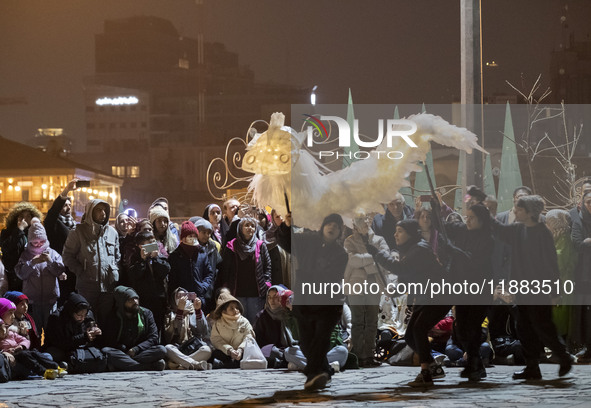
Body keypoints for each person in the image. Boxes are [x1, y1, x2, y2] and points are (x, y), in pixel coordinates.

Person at [492, 195, 573, 380]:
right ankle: (532, 367)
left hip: (538, 290)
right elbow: (498, 230)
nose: (515, 211)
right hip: (521, 290)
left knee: (544, 327)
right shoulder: (518, 229)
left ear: (529, 212)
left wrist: (554, 292)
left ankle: (563, 356)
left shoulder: (542, 233)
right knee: (524, 328)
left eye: (519, 209)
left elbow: (551, 264)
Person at [365, 219, 450, 387]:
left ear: (410, 233)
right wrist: (395, 291)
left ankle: (426, 372)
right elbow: (407, 279)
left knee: (418, 329)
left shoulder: (419, 249)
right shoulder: (411, 250)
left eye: (400, 231)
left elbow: (400, 269)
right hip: (427, 298)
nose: (395, 234)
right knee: (411, 336)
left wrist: (377, 253)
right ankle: (433, 366)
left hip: (439, 296)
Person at [277, 212, 348, 391]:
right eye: (329, 223)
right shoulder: (308, 241)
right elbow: (287, 243)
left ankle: (314, 374)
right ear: (323, 226)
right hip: (305, 301)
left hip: (327, 303)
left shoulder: (341, 254)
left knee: (321, 339)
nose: (332, 227)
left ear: (340, 231)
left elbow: (330, 276)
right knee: (307, 343)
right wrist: (286, 226)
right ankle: (323, 370)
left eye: (337, 226)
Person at [62, 199, 120, 326]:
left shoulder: (112, 233)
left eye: (104, 210)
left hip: (108, 287)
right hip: (87, 287)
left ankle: (104, 344)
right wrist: (80, 270)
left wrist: (114, 272)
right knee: (87, 320)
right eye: (98, 210)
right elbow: (67, 256)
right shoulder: (78, 231)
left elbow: (117, 257)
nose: (103, 213)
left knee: (106, 320)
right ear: (90, 212)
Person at [344, 214, 388, 367]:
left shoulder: (379, 240)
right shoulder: (349, 241)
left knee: (371, 321)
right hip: (355, 286)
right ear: (354, 224)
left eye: (367, 218)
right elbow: (352, 260)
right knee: (357, 321)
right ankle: (358, 354)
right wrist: (373, 258)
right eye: (361, 219)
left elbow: (384, 261)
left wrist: (363, 261)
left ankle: (369, 353)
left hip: (374, 284)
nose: (366, 221)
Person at [15, 218, 67, 333]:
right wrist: (32, 263)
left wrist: (49, 261)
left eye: (41, 242)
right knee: (34, 330)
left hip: (50, 301)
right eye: (35, 242)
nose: (38, 245)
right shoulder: (25, 255)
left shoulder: (52, 253)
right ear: (30, 241)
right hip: (33, 302)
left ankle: (50, 349)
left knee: (51, 330)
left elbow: (60, 270)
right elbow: (21, 274)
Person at [100, 286, 166, 371]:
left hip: (140, 352)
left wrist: (136, 349)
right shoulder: (114, 316)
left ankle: (123, 365)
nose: (135, 302)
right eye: (130, 300)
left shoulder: (146, 314)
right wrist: (124, 349)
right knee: (106, 351)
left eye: (136, 298)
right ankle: (147, 367)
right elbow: (110, 341)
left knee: (161, 350)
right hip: (122, 353)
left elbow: (153, 338)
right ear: (122, 303)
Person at [220, 217, 271, 324]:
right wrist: (225, 287)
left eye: (253, 226)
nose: (250, 228)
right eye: (246, 225)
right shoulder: (232, 245)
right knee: (240, 323)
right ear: (240, 228)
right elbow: (225, 268)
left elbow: (267, 266)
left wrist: (266, 283)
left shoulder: (260, 245)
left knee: (256, 322)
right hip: (237, 292)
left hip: (256, 293)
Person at [0, 299, 60, 380]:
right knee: (24, 359)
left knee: (43, 355)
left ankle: (56, 367)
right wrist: (4, 354)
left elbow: (26, 341)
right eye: (10, 313)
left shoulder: (11, 331)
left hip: (23, 355)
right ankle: (43, 371)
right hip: (11, 361)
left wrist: (21, 346)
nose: (13, 316)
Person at [124, 231, 170, 334]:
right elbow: (133, 276)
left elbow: (166, 270)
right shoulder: (134, 258)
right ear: (141, 246)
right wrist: (142, 260)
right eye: (149, 243)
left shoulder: (158, 256)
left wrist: (156, 258)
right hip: (144, 300)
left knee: (159, 328)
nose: (153, 245)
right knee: (145, 328)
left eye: (154, 242)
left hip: (159, 299)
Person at [43, 292, 103, 367]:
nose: (83, 318)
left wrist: (96, 333)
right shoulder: (57, 318)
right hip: (61, 348)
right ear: (72, 312)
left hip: (81, 348)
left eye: (84, 315)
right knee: (54, 354)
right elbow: (61, 343)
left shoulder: (88, 316)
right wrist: (84, 337)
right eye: (79, 315)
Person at [43, 178, 78, 303]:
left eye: (70, 205)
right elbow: (52, 212)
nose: (68, 208)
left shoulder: (75, 225)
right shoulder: (53, 223)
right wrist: (66, 191)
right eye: (64, 205)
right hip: (61, 268)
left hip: (75, 268)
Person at [168, 221, 214, 312]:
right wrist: (176, 293)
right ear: (183, 238)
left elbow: (209, 273)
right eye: (190, 236)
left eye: (194, 236)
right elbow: (171, 279)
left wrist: (203, 287)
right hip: (181, 299)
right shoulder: (175, 256)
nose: (192, 238)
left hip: (198, 297)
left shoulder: (201, 253)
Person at [163, 287, 212, 370]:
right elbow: (169, 334)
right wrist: (179, 312)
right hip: (178, 349)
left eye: (185, 295)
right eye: (179, 296)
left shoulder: (195, 311)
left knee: (207, 350)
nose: (182, 298)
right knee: (168, 348)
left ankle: (179, 365)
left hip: (193, 348)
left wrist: (198, 311)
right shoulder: (170, 314)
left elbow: (203, 331)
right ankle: (194, 363)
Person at [0, 202, 43, 291]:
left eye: (28, 216)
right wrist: (19, 230)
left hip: (31, 273)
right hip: (13, 275)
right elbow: (6, 247)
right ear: (15, 218)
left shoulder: (36, 233)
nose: (24, 219)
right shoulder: (7, 232)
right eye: (21, 216)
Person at [210, 292, 256, 369]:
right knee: (215, 354)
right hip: (225, 353)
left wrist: (240, 349)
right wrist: (229, 350)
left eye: (237, 308)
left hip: (241, 352)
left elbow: (249, 336)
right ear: (224, 311)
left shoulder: (244, 321)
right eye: (231, 308)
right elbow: (216, 339)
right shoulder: (218, 324)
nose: (235, 310)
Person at [571, 190, 591, 360]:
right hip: (585, 275)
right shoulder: (578, 221)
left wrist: (588, 241)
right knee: (586, 313)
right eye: (589, 202)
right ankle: (589, 347)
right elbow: (577, 243)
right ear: (583, 204)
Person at [193, 218, 222, 314]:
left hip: (210, 288)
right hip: (196, 287)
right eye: (203, 232)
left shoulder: (212, 247)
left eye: (209, 233)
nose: (207, 235)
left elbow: (218, 265)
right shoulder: (191, 247)